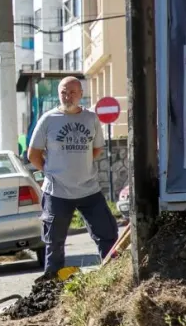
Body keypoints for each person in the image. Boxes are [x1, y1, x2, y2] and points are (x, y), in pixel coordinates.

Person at [27, 76, 119, 277]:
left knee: (108, 236)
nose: (67, 97)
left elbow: (96, 150)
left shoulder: (91, 118)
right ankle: (52, 285)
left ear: (81, 95)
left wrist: (80, 167)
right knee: (54, 243)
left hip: (89, 190)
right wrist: (51, 171)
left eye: (72, 92)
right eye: (63, 93)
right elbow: (33, 154)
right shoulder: (48, 120)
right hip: (57, 191)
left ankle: (112, 277)